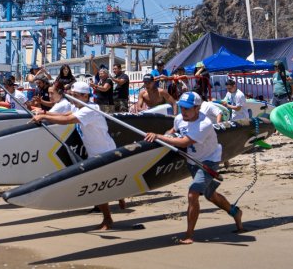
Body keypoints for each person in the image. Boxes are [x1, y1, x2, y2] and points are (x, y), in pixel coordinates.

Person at [144, 92, 245, 244]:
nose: (183, 111)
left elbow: (185, 142)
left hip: (208, 162)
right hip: (192, 161)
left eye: (187, 108)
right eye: (181, 107)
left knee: (193, 194)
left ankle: (189, 235)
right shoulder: (180, 118)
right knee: (210, 195)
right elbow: (173, 132)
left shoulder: (204, 124)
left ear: (197, 108)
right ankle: (235, 212)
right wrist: (165, 136)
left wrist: (158, 136)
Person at [32, 81, 120, 230]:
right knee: (101, 186)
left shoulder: (90, 109)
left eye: (76, 96)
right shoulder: (80, 106)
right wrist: (45, 113)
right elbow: (66, 114)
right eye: (71, 95)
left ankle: (108, 219)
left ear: (85, 96)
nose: (72, 99)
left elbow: (68, 120)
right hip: (93, 152)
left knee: (99, 187)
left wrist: (44, 118)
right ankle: (117, 203)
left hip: (105, 151)